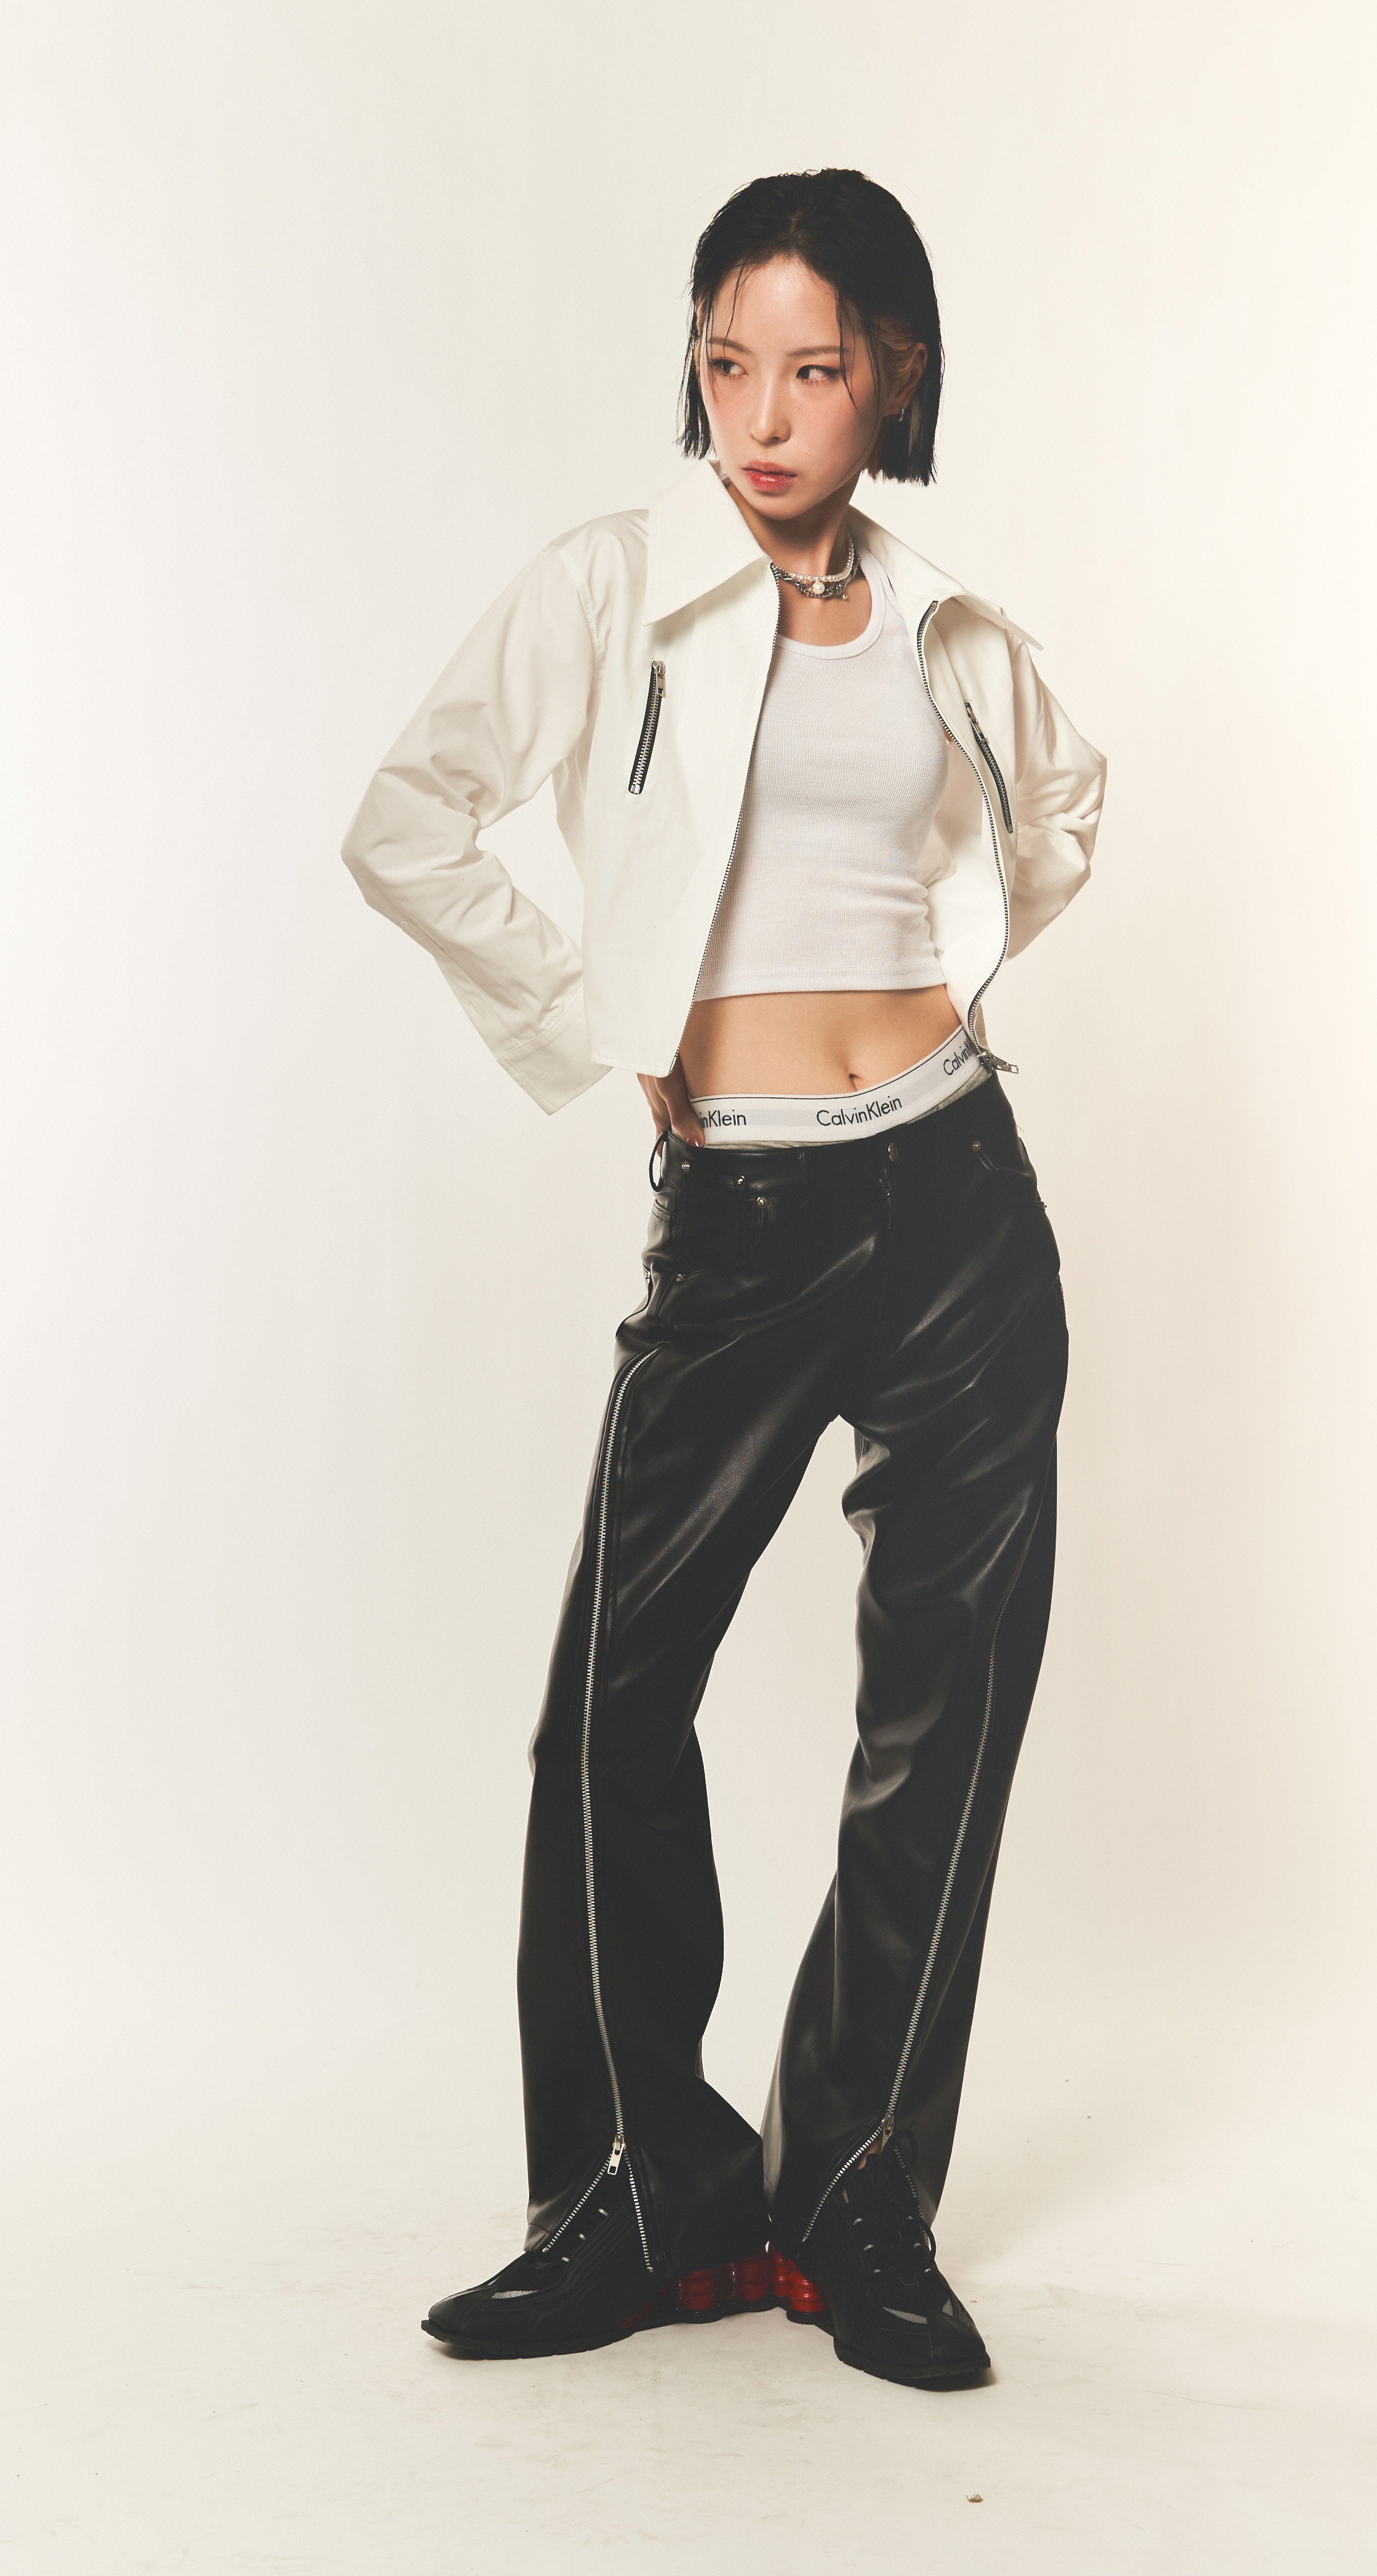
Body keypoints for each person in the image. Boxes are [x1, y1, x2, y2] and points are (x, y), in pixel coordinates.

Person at [342, 169, 1106, 2390]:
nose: (761, 415)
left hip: (960, 1204)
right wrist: (608, 1022)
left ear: (893, 379)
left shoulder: (947, 624)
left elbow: (1060, 813)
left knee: (942, 1714)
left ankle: (853, 2199)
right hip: (744, 1215)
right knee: (612, 1700)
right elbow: (408, 820)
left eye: (812, 368)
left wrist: (941, 983)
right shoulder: (613, 588)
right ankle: (637, 2200)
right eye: (725, 363)